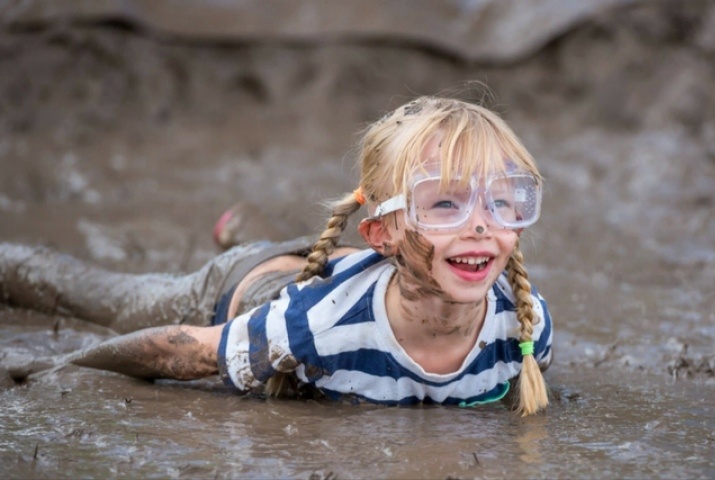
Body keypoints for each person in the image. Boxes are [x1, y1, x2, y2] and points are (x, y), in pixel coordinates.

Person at [0, 96, 553, 415]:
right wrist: (54, 368)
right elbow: (185, 352)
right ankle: (244, 238)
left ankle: (250, 226)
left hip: (317, 270)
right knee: (102, 297)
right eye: (447, 202)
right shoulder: (317, 325)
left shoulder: (525, 325)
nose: (481, 224)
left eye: (504, 201)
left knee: (309, 257)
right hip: (238, 289)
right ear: (380, 232)